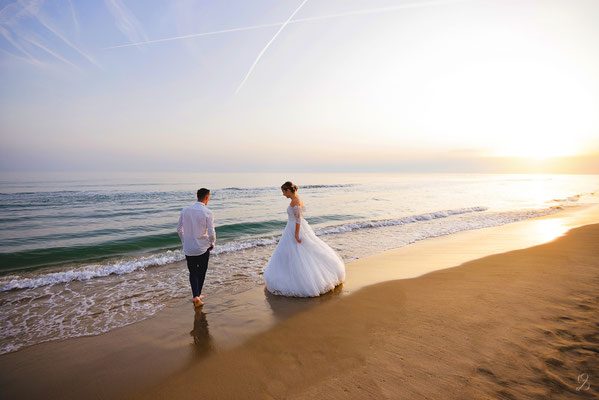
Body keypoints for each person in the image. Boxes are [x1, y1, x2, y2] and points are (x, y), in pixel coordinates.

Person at [263, 181, 345, 297]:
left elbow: (298, 220)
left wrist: (296, 234)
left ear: (288, 190)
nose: (283, 195)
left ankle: (302, 280)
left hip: (294, 229)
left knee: (298, 254)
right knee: (293, 254)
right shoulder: (296, 198)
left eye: (283, 192)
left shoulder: (295, 201)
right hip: (292, 228)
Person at [177, 188, 216, 307]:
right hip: (202, 248)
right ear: (207, 197)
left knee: (192, 272)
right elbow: (211, 232)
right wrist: (212, 243)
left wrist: (185, 242)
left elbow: (179, 229)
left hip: (189, 248)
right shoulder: (208, 212)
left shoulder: (185, 210)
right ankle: (197, 296)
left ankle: (196, 295)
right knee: (202, 271)